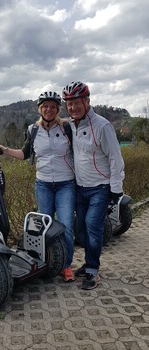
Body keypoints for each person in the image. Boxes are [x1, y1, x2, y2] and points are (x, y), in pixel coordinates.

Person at [0, 91, 76, 282]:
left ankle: (66, 266)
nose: (49, 109)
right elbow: (24, 154)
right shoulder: (33, 130)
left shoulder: (67, 127)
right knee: (43, 228)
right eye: (45, 106)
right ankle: (45, 262)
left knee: (66, 225)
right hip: (43, 184)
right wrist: (4, 150)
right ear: (40, 109)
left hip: (66, 184)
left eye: (53, 107)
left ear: (58, 109)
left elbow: (80, 151)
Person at [62, 81, 125, 290]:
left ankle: (93, 270)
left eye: (77, 103)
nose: (72, 108)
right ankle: (88, 263)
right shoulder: (71, 124)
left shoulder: (102, 126)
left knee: (92, 226)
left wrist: (116, 189)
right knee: (81, 228)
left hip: (100, 187)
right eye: (69, 104)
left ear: (87, 102)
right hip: (80, 187)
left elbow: (115, 157)